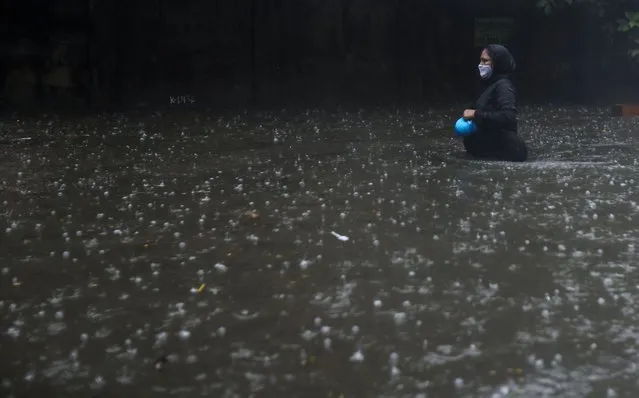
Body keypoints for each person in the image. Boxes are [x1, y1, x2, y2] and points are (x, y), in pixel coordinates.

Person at [460, 44, 528, 162]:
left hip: (504, 153)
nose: (480, 64)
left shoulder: (504, 87)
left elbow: (508, 116)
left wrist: (476, 114)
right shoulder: (487, 85)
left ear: (498, 63)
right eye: (480, 60)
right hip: (487, 154)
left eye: (485, 61)